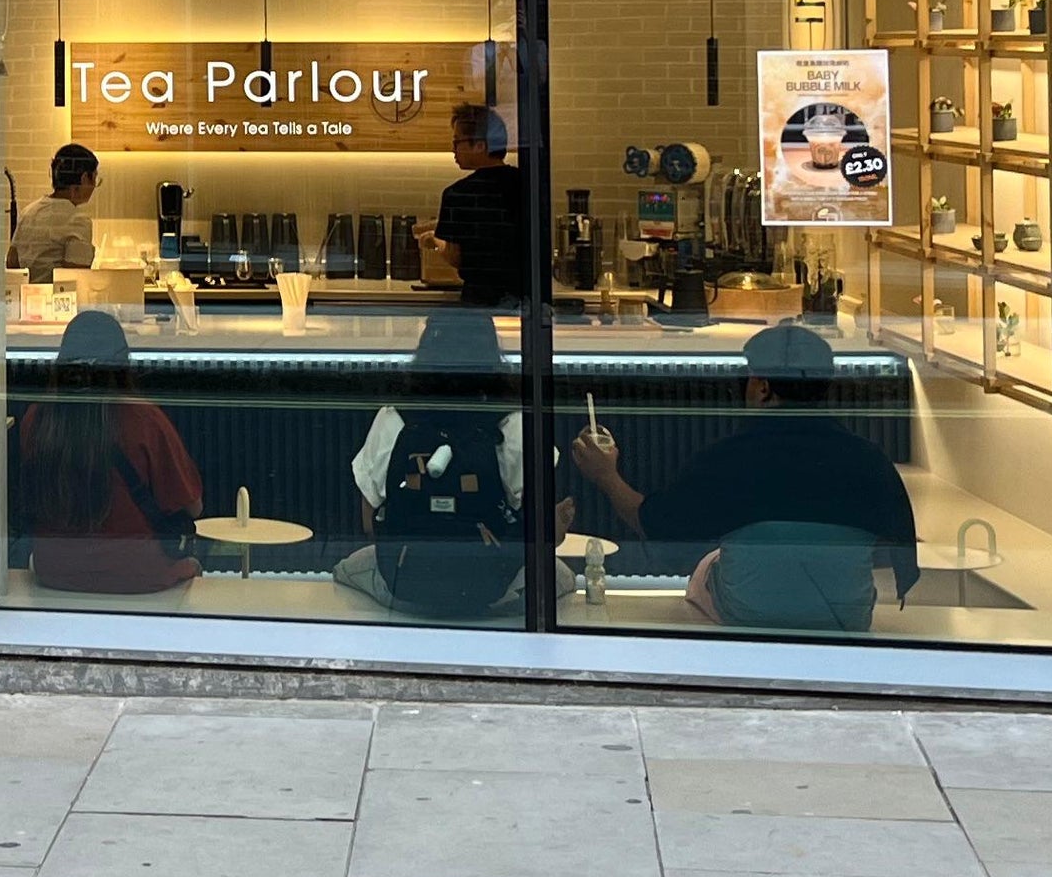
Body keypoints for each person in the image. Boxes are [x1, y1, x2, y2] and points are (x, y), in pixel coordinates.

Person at [565, 320, 917, 630]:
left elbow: (658, 528)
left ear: (763, 388)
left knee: (707, 566)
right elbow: (899, 548)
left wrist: (607, 477)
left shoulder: (731, 457)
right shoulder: (870, 459)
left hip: (748, 615)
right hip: (847, 618)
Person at [335, 308, 540, 619]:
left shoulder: (395, 417)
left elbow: (369, 521)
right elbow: (540, 525)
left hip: (404, 583)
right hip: (494, 588)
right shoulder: (512, 422)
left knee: (345, 571)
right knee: (559, 577)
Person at [10, 310, 203, 594]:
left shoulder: (36, 419)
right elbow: (193, 506)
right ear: (123, 366)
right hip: (139, 574)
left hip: (55, 570)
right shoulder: (144, 420)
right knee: (195, 569)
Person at [416, 104, 528, 306]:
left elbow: (456, 257)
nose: (453, 148)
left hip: (479, 300)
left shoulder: (458, 193)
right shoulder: (525, 185)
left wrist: (435, 239)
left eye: (457, 141)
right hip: (523, 297)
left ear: (480, 145)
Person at [10, 143, 101, 284]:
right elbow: (74, 280)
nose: (94, 186)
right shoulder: (77, 221)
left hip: (26, 301)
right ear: (84, 178)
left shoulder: (28, 212)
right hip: (53, 303)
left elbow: (12, 262)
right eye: (94, 179)